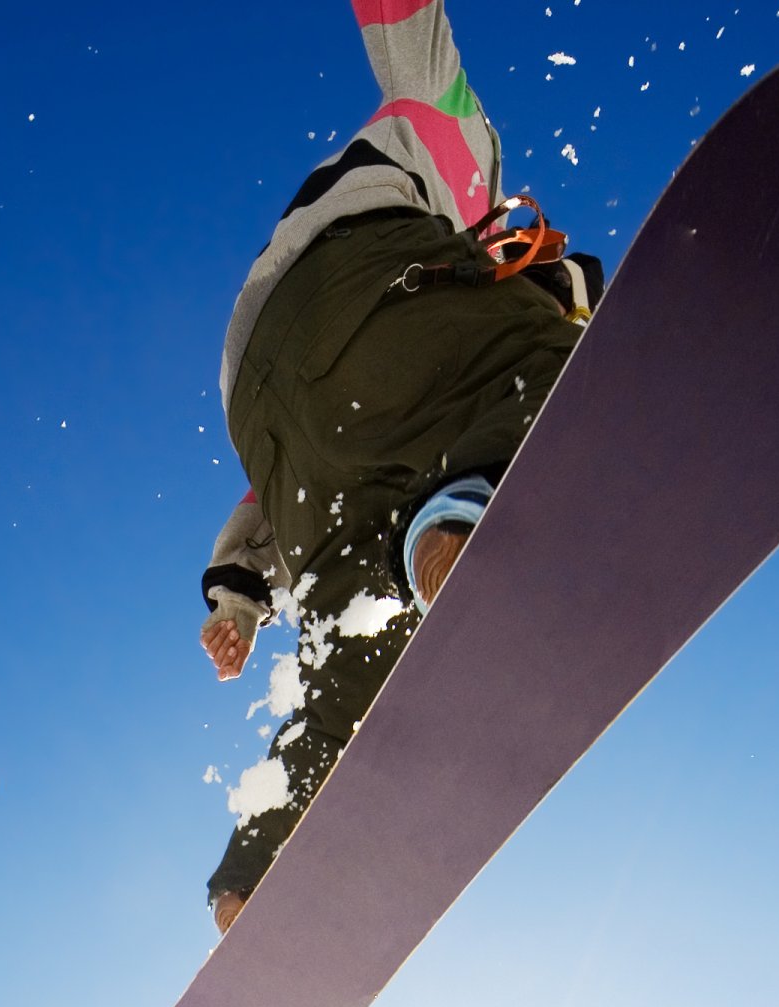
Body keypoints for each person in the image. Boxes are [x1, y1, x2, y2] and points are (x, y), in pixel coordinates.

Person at [197, 0, 604, 934]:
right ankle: (464, 516)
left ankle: (252, 881)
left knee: (359, 662)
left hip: (268, 415)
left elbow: (266, 505)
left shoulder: (453, 289)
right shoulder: (462, 149)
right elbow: (411, 28)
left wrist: (237, 601)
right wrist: (575, 292)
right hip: (357, 284)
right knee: (562, 375)